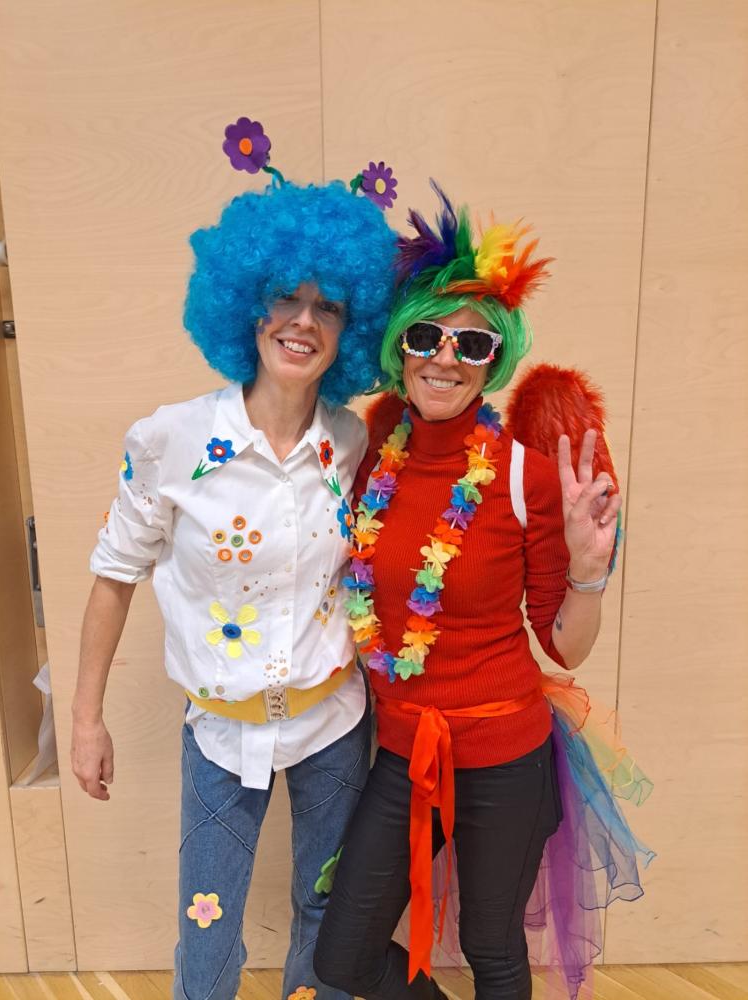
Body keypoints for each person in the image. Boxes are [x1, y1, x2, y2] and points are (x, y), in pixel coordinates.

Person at [70, 117, 398, 1000]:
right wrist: (86, 719)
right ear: (248, 303)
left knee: (328, 918)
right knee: (207, 933)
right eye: (285, 296)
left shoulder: (351, 441)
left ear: (351, 326)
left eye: (330, 305)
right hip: (219, 731)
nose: (303, 321)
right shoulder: (171, 440)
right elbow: (113, 577)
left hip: (334, 723)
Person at [314, 185, 651, 1000]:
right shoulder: (371, 457)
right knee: (343, 958)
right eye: (426, 336)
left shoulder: (525, 475)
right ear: (399, 346)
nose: (445, 358)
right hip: (406, 749)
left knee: (492, 948)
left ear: (494, 361)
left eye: (472, 343)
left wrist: (587, 567)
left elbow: (564, 646)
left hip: (505, 756)